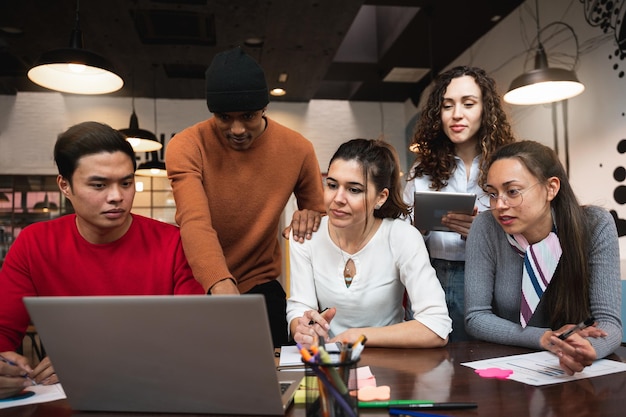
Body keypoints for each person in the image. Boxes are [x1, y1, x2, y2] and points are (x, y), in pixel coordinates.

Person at [0, 121, 205, 399]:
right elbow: (3, 331)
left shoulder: (173, 242)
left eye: (126, 183)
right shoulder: (34, 243)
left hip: (157, 392)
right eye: (99, 185)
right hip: (69, 399)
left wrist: (96, 362)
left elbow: (197, 338)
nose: (116, 197)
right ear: (65, 185)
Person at [166, 47, 325, 348]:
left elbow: (319, 212)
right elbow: (194, 220)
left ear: (264, 107)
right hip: (199, 283)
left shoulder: (298, 148)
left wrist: (312, 214)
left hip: (259, 284)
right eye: (224, 117)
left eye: (248, 116)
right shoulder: (186, 146)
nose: (237, 129)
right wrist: (220, 283)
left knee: (270, 381)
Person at [465, 140, 622, 375]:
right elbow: (476, 317)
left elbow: (609, 323)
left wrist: (586, 348)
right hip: (506, 369)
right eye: (492, 193)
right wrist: (546, 338)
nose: (499, 205)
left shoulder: (595, 225)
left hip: (570, 373)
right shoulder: (486, 228)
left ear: (551, 188)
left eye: (512, 192)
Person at [287, 139, 451, 348]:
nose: (338, 198)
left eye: (354, 190)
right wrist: (302, 328)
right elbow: (299, 306)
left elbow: (437, 327)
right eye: (332, 185)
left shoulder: (402, 237)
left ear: (380, 197)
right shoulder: (306, 235)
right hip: (330, 362)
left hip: (391, 362)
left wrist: (356, 336)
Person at [403, 66, 516, 342]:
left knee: (488, 362)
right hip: (432, 277)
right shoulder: (422, 169)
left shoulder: (509, 165)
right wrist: (418, 229)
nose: (456, 115)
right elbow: (399, 233)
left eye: (468, 104)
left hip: (492, 278)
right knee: (432, 365)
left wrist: (484, 234)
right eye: (447, 106)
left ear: (485, 110)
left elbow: (531, 230)